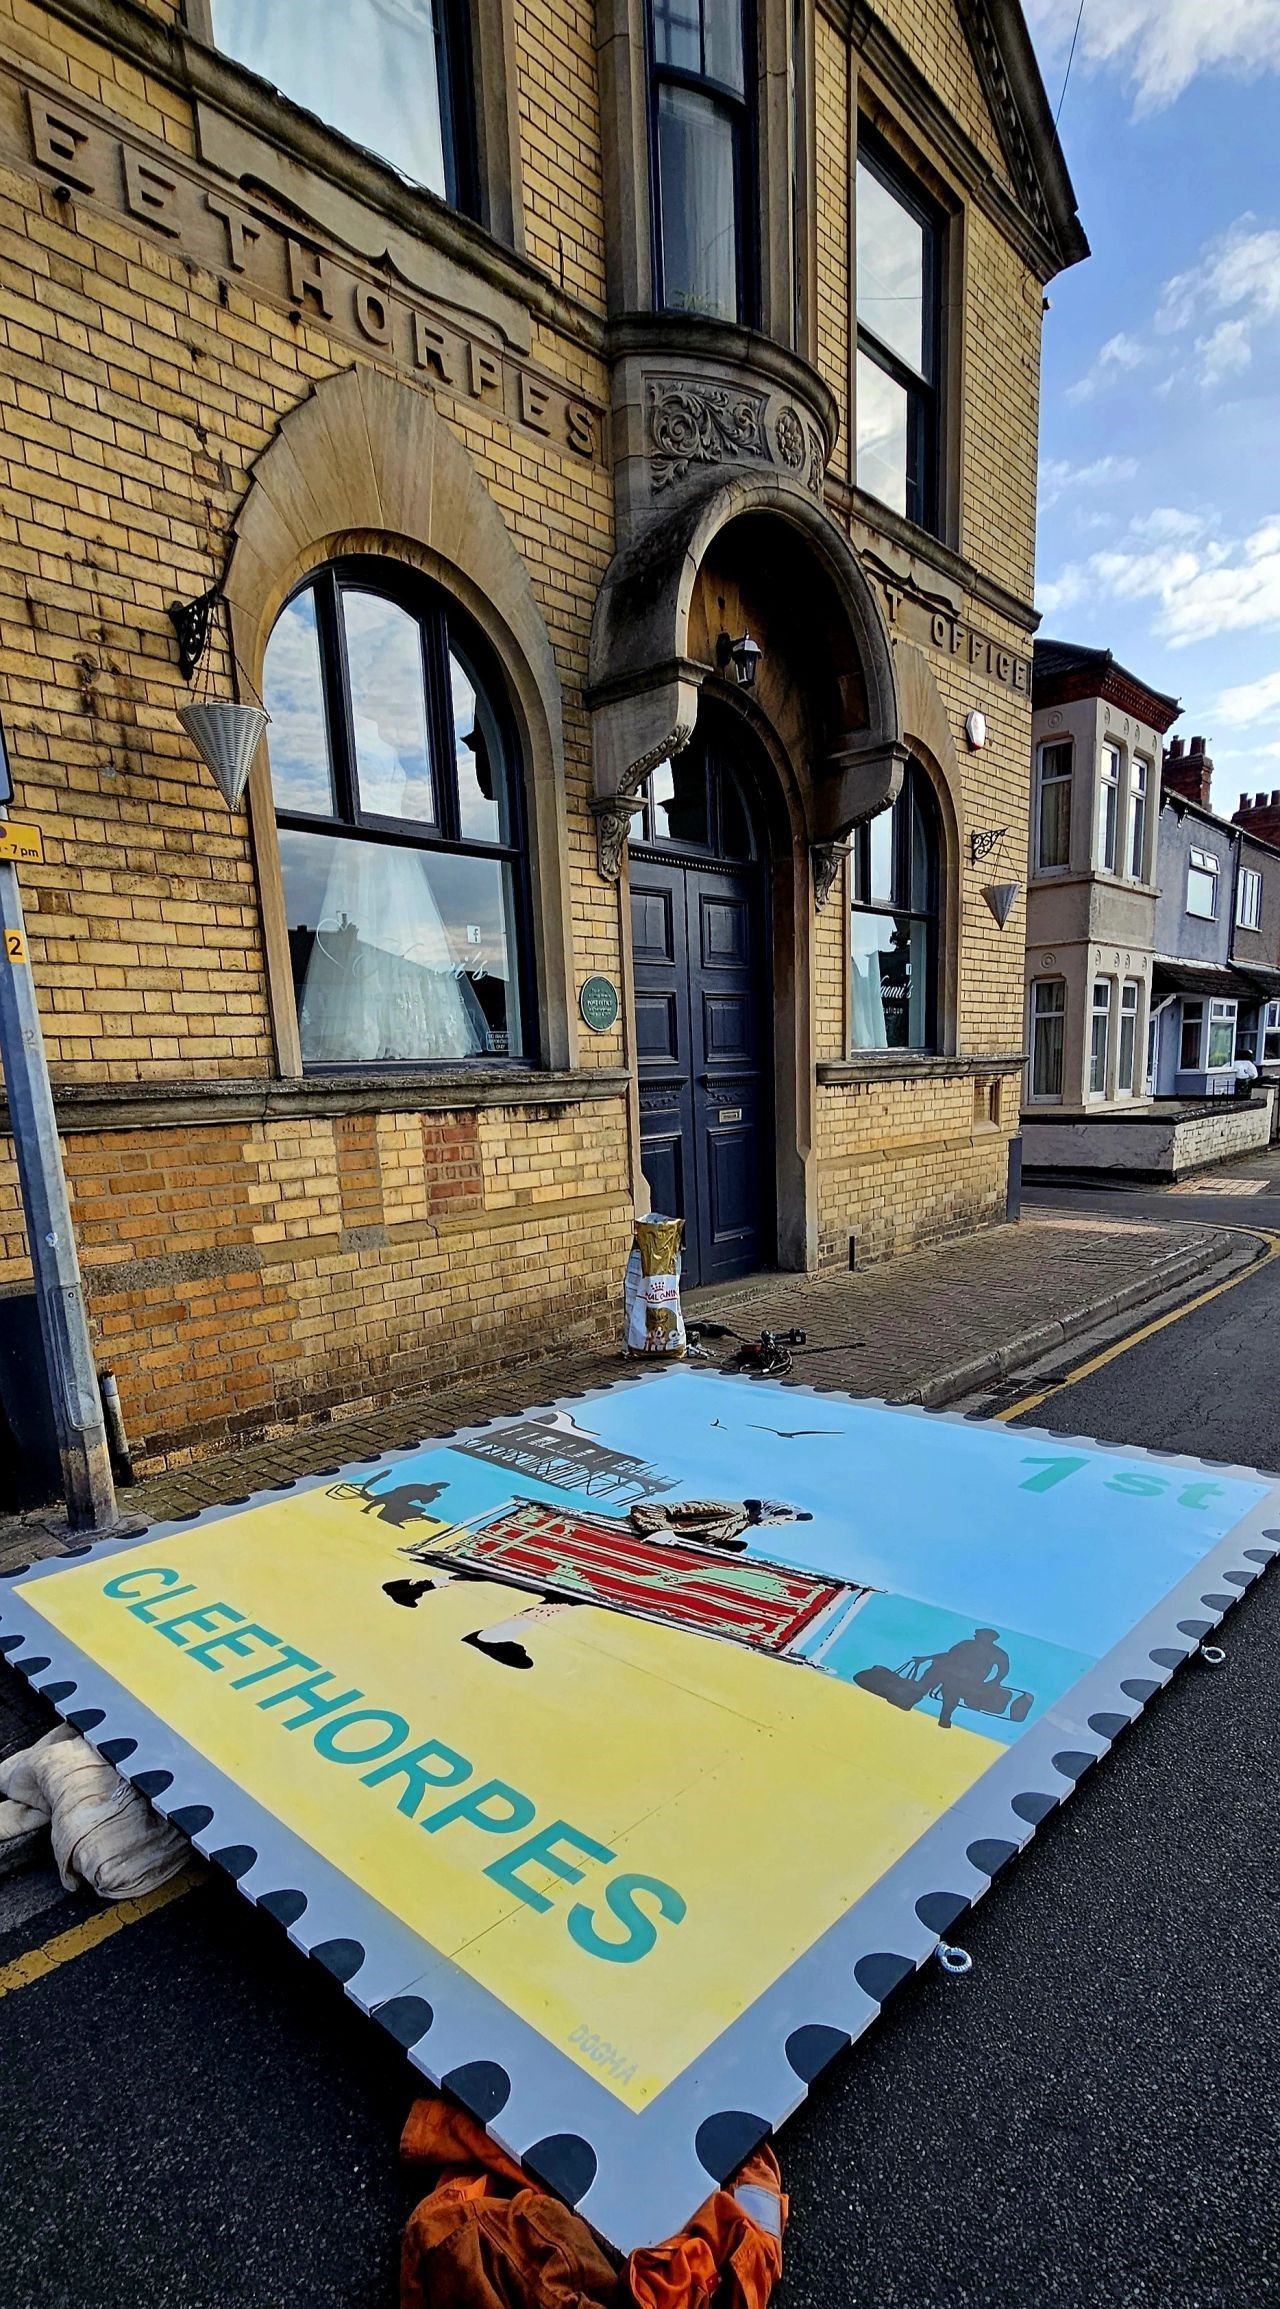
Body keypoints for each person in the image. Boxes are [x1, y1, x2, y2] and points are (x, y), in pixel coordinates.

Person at [628, 1497, 813, 1553]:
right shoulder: (731, 1510)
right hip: (629, 1534)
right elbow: (648, 1509)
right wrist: (661, 1531)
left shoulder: (741, 1524)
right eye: (783, 1517)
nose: (779, 1524)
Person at [913, 1627, 1011, 1729]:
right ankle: (914, 1695)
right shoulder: (966, 1644)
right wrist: (926, 1658)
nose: (976, 1636)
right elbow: (949, 1655)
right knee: (935, 1670)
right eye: (977, 1634)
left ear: (990, 1638)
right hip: (951, 1671)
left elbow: (1003, 1670)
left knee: (952, 1689)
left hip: (971, 1680)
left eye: (981, 1635)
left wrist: (995, 1682)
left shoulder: (998, 1653)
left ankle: (945, 1716)